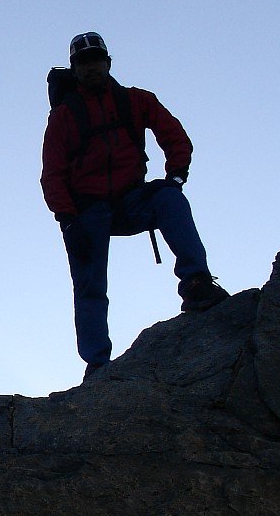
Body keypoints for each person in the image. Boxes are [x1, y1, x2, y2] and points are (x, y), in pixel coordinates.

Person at [41, 32, 228, 379]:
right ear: (75, 69)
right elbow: (52, 174)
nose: (91, 67)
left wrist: (176, 177)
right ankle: (97, 363)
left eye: (96, 60)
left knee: (171, 199)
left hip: (131, 200)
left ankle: (196, 284)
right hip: (86, 212)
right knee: (89, 286)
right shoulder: (64, 117)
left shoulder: (136, 101)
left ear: (108, 63)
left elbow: (174, 136)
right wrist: (68, 220)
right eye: (84, 62)